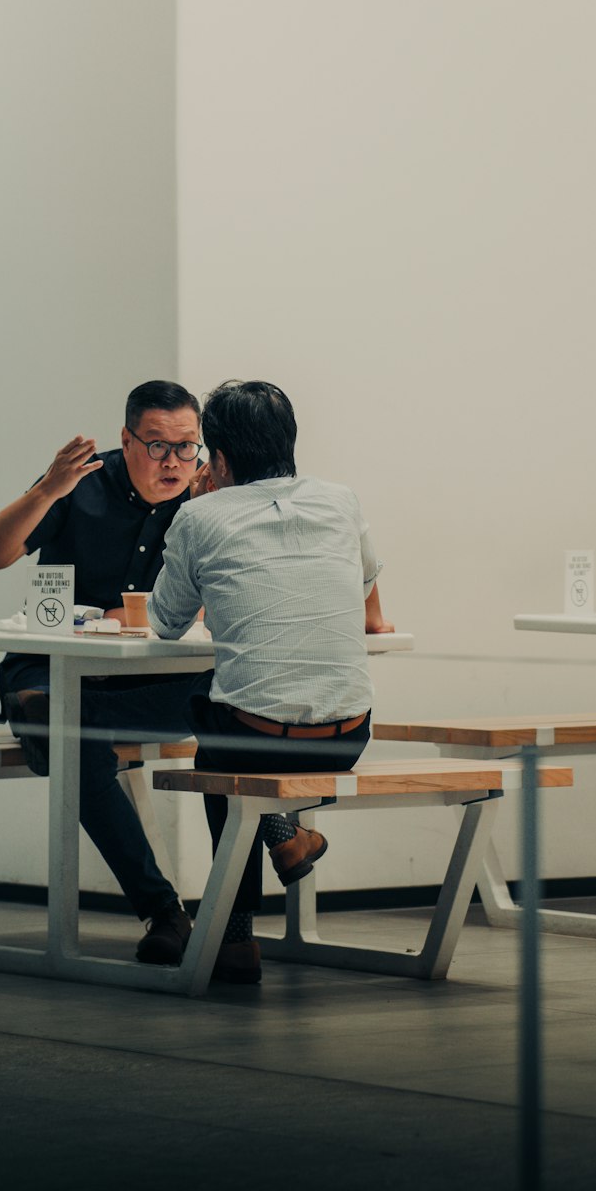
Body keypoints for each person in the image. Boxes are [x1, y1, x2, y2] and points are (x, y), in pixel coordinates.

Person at [148, 379, 389, 985]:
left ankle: (239, 931)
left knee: (211, 730)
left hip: (258, 738)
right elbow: (364, 596)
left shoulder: (199, 515)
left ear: (219, 460)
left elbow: (164, 621)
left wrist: (200, 508)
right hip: (349, 734)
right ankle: (282, 846)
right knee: (229, 733)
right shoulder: (341, 500)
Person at [0, 380, 206, 966]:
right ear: (126, 440)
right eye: (157, 446)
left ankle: (232, 913)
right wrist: (47, 489)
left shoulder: (204, 501)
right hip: (54, 666)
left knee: (223, 700)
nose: (173, 462)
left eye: (187, 446)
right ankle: (164, 911)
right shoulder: (82, 483)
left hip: (146, 677)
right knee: (62, 726)